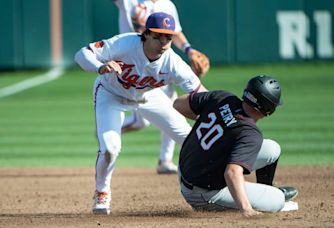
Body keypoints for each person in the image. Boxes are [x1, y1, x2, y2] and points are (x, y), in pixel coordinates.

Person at [74, 12, 207, 215]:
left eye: (168, 37)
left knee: (190, 139)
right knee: (110, 149)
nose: (164, 42)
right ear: (145, 34)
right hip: (111, 94)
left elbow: (201, 94)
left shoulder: (174, 63)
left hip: (149, 96)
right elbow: (82, 54)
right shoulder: (125, 44)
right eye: (158, 36)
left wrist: (223, 111)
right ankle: (102, 192)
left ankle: (205, 186)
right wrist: (100, 67)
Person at [173, 75, 298, 217]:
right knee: (278, 200)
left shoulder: (222, 97)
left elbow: (178, 103)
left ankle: (264, 190)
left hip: (186, 169)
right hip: (203, 193)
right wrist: (246, 209)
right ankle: (269, 196)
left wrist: (215, 119)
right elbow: (232, 173)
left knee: (272, 149)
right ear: (269, 108)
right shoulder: (250, 133)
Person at [113, 0, 210, 174]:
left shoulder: (167, 5)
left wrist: (189, 50)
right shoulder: (130, 1)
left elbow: (176, 32)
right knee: (140, 122)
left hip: (161, 64)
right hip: (133, 65)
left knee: (173, 109)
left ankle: (165, 159)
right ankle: (110, 128)